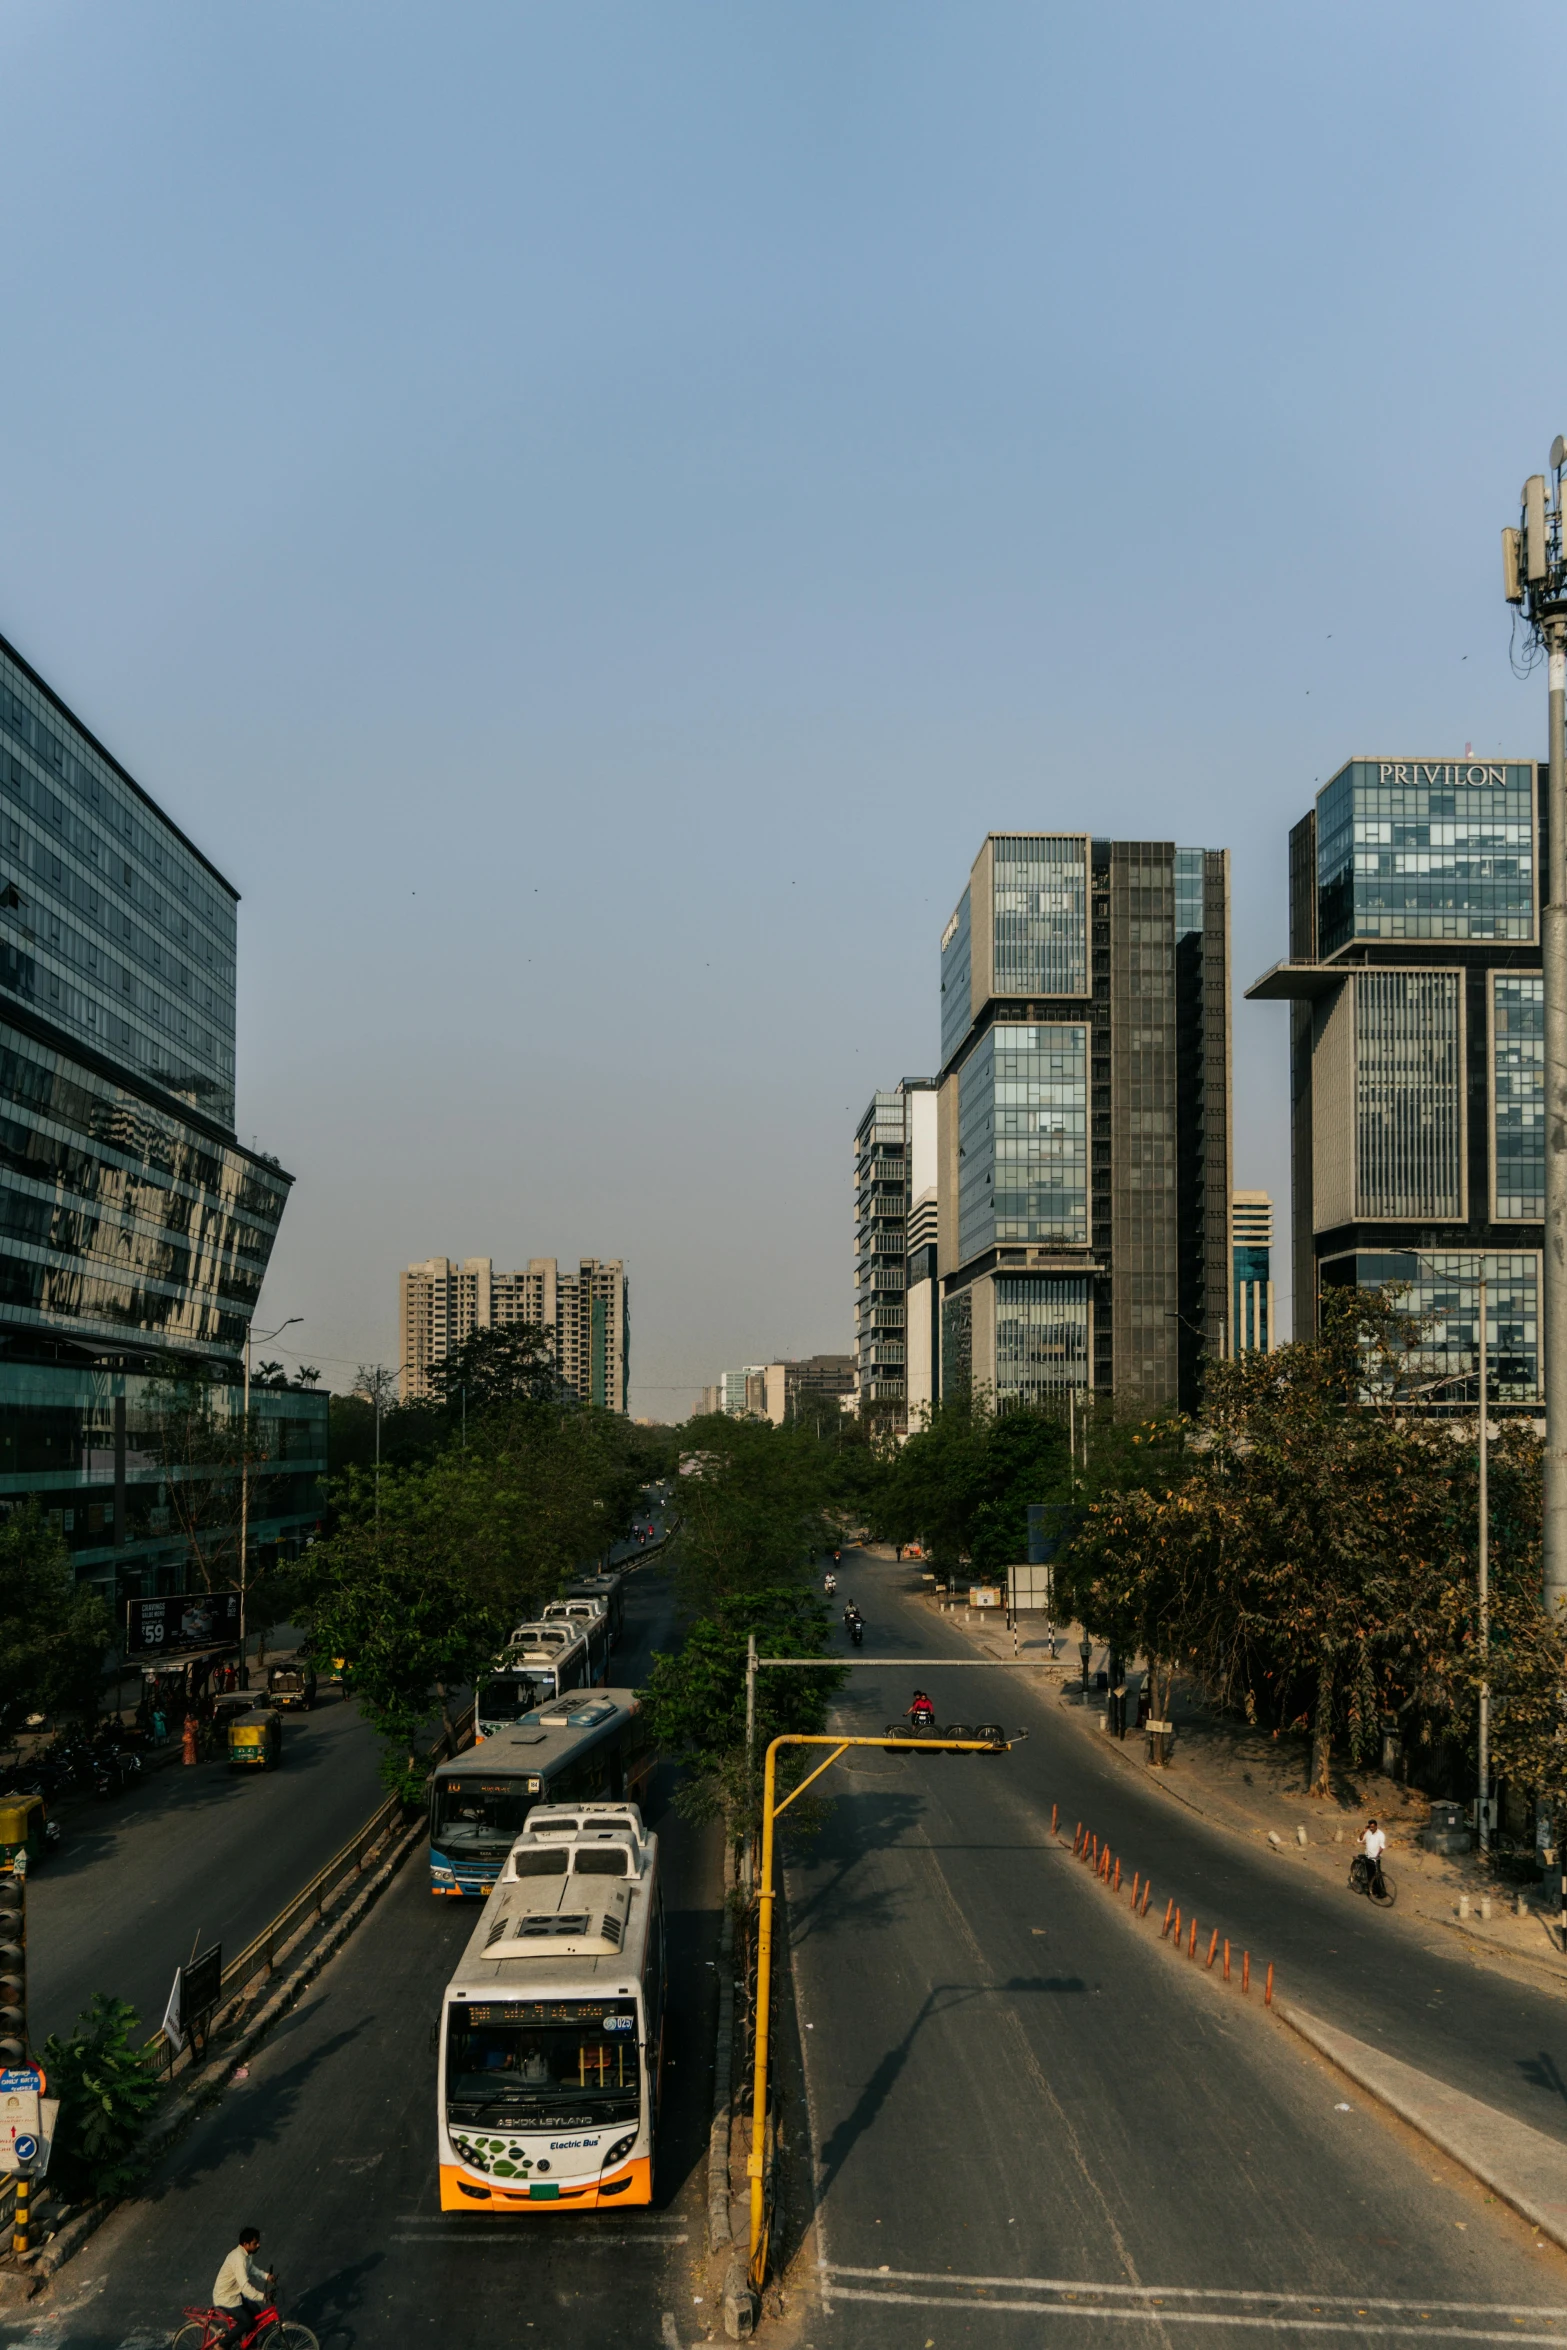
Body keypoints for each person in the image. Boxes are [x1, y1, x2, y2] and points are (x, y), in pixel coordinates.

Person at [211, 2226, 274, 2344]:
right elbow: (245, 2286)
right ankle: (221, 2346)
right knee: (246, 2322)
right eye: (255, 2243)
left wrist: (266, 2276)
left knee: (255, 2310)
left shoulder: (246, 2254)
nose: (258, 2245)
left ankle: (250, 2345)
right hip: (226, 2298)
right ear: (246, 2244)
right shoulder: (239, 2259)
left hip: (235, 2294)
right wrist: (263, 2297)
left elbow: (251, 2268)